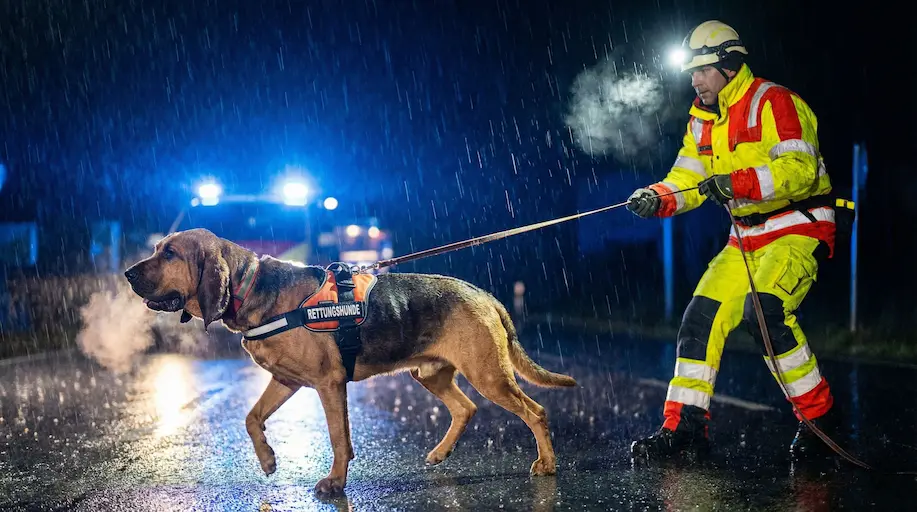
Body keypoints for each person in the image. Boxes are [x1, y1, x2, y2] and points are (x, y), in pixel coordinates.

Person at [626, 20, 841, 461]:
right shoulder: (702, 118)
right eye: (692, 71)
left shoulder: (774, 101)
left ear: (728, 66)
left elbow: (800, 172)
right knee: (698, 321)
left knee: (765, 312)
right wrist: (657, 198)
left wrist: (735, 182)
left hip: (797, 226)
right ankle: (685, 429)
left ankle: (820, 424)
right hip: (744, 237)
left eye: (702, 70)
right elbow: (687, 178)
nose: (694, 79)